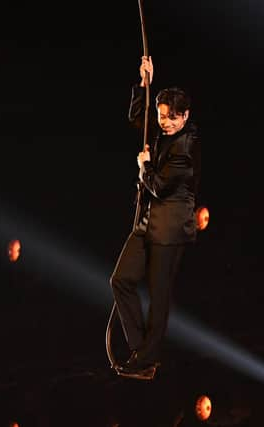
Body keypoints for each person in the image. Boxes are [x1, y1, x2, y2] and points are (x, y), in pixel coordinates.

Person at [110, 55, 201, 380]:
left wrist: (145, 167)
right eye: (162, 116)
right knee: (120, 279)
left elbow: (161, 187)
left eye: (171, 119)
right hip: (148, 222)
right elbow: (139, 118)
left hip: (171, 228)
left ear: (185, 116)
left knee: (159, 294)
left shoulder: (187, 147)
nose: (164, 123)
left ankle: (147, 357)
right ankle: (142, 353)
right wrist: (144, 84)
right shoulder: (162, 131)